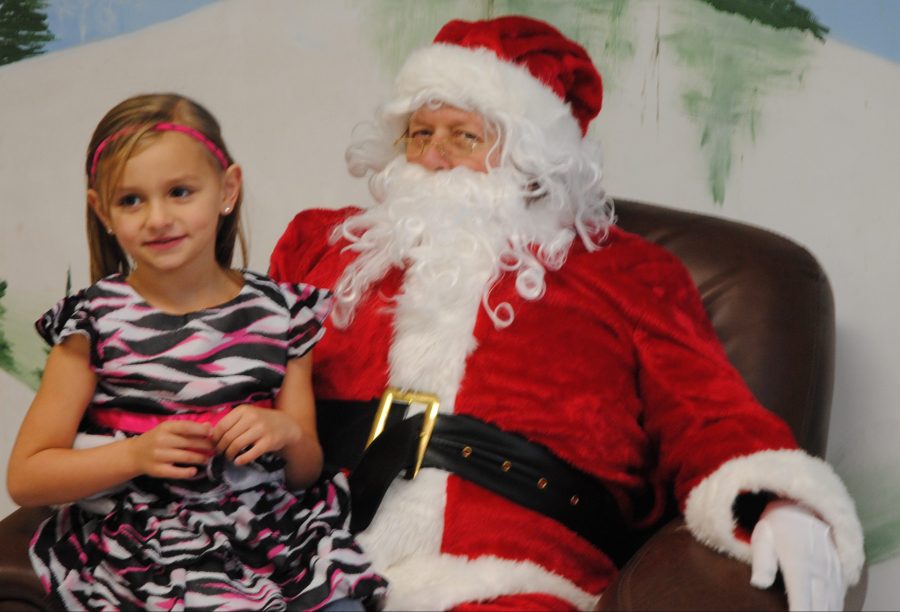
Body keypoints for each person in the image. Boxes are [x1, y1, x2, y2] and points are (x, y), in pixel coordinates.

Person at [269, 16, 864, 611]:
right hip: (307, 557)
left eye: (464, 137)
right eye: (419, 134)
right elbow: (240, 370)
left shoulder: (629, 273)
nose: (433, 157)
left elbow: (710, 416)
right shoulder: (324, 243)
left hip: (508, 577)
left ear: (532, 156)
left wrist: (775, 500)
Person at [6, 93, 387, 611]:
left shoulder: (282, 314)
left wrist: (287, 433)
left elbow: (305, 470)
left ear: (227, 189)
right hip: (142, 548)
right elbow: (27, 478)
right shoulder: (92, 323)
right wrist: (135, 455)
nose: (157, 217)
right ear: (102, 210)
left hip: (272, 537)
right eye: (131, 200)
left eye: (180, 192)